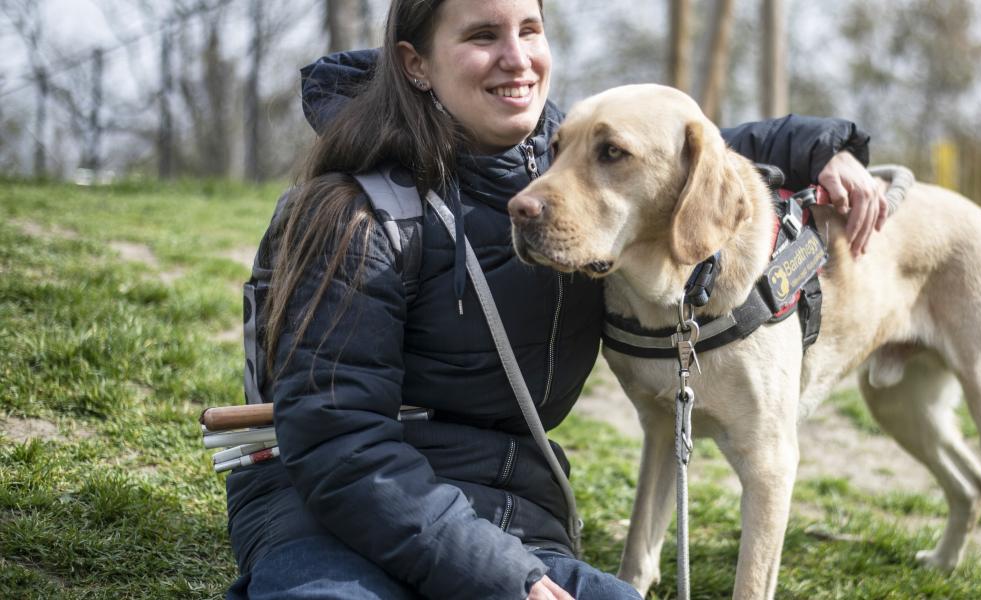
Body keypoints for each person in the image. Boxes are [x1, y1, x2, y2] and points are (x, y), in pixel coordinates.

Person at [223, 0, 889, 598]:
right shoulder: (356, 213)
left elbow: (675, 150)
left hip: (509, 510)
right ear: (416, 63)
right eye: (484, 35)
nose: (516, 58)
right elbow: (340, 445)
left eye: (530, 29)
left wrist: (820, 147)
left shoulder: (559, 155)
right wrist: (501, 576)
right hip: (333, 516)